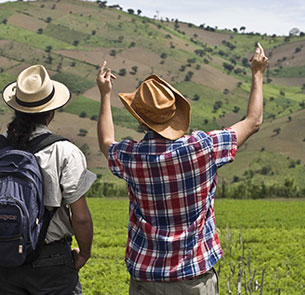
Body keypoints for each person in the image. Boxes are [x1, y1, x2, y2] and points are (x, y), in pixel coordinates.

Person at [96, 44, 268, 294]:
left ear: (140, 120)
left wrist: (104, 95)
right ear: (174, 113)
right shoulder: (203, 148)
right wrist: (257, 74)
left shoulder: (131, 157)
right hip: (194, 277)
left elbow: (105, 142)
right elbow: (253, 121)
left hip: (146, 278)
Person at [0, 65, 95, 295]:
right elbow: (80, 217)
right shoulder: (64, 151)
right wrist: (84, 253)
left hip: (4, 262)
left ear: (15, 109)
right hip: (53, 262)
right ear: (51, 112)